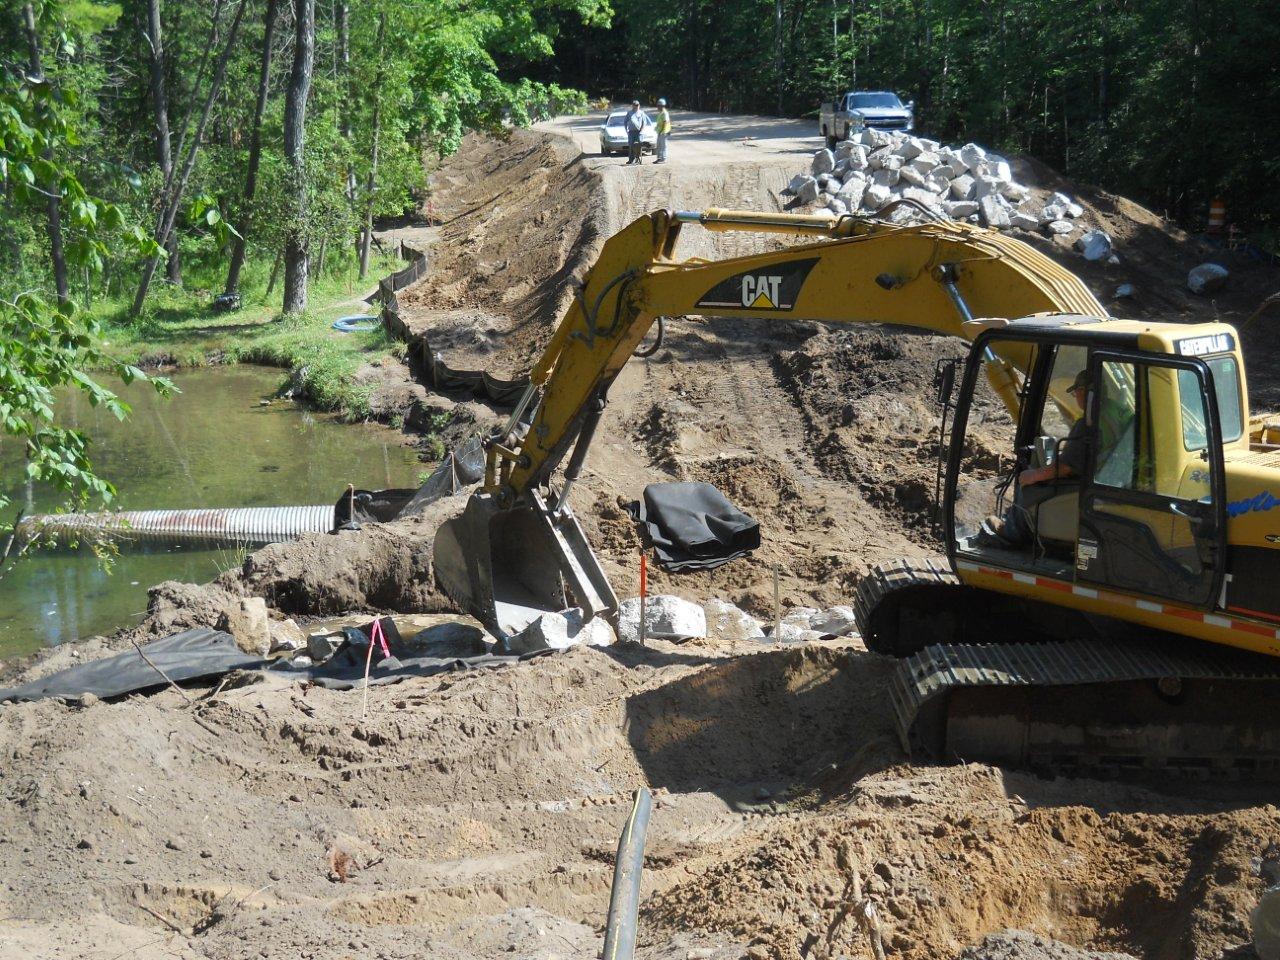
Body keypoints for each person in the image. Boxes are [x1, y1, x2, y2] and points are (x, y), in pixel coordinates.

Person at [983, 368, 1093, 547]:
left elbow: (1065, 468)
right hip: (1099, 482)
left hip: (1079, 489)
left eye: (1076, 392)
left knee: (1029, 483)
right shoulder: (1111, 415)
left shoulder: (1087, 424)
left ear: (1084, 391)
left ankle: (1014, 531)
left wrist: (1033, 475)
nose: (1076, 397)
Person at [624, 100, 650, 165]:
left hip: (639, 132)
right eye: (635, 105)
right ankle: (631, 159)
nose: (636, 106)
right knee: (631, 145)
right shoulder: (629, 113)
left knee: (639, 146)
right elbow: (625, 122)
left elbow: (644, 122)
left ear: (639, 105)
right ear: (632, 105)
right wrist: (626, 130)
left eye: (637, 105)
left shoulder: (642, 113)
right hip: (631, 132)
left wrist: (642, 130)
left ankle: (637, 159)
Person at [655, 98, 672, 163]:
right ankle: (659, 158)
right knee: (659, 146)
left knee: (663, 146)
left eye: (658, 105)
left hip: (663, 132)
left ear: (662, 106)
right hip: (660, 132)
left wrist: (661, 131)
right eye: (658, 105)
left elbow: (665, 122)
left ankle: (663, 159)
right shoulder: (660, 112)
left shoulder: (664, 113)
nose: (657, 106)